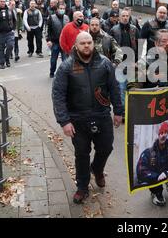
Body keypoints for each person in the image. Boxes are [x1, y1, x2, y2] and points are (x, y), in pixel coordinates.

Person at [52, 32, 123, 204]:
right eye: (82, 43)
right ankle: (82, 187)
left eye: (89, 42)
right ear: (76, 45)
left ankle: (97, 170)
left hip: (102, 115)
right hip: (77, 119)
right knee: (82, 154)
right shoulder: (66, 67)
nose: (86, 46)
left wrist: (119, 112)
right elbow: (58, 95)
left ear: (93, 44)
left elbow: (114, 88)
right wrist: (64, 121)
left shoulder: (105, 64)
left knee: (106, 148)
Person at [136, 122, 168, 207]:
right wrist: (156, 176)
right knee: (161, 201)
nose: (163, 135)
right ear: (157, 134)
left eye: (165, 132)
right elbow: (140, 170)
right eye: (161, 133)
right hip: (156, 176)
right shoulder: (148, 152)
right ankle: (156, 192)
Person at [110, 9, 140, 121]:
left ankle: (131, 111)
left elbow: (141, 45)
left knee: (132, 89)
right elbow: (110, 47)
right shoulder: (114, 30)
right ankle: (123, 113)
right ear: (119, 17)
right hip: (120, 65)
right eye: (123, 16)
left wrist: (138, 61)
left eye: (127, 16)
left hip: (133, 65)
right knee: (121, 89)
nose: (125, 18)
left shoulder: (134, 29)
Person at [46, 4, 70, 78]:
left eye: (63, 8)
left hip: (64, 42)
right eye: (60, 8)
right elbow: (48, 30)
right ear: (57, 9)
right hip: (55, 42)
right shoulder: (52, 17)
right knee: (53, 60)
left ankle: (65, 74)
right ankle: (52, 72)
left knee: (65, 60)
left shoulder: (67, 18)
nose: (62, 9)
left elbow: (69, 29)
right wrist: (48, 40)